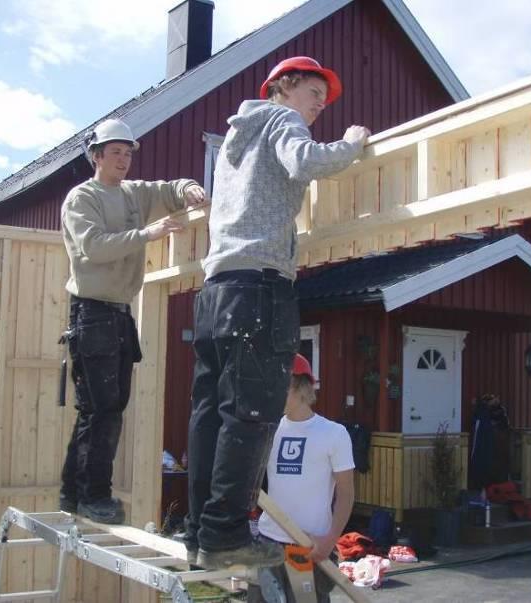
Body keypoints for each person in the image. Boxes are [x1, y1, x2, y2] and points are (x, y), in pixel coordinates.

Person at [185, 56, 370, 569]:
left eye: (324, 101)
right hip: (258, 287)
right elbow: (305, 161)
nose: (319, 106)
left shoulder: (235, 141)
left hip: (217, 288)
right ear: (284, 86)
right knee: (251, 414)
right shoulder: (282, 120)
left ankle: (199, 531)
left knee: (210, 414)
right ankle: (224, 535)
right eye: (314, 92)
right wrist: (351, 144)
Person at [59, 118, 206, 524]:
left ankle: (73, 494)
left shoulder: (132, 194)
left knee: (107, 407)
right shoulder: (82, 198)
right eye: (116, 153)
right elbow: (92, 249)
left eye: (128, 153)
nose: (124, 160)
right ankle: (93, 496)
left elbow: (169, 189)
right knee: (101, 409)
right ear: (97, 156)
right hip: (90, 312)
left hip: (118, 314)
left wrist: (188, 188)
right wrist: (148, 233)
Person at [248, 354, 355, 603]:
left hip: (308, 548)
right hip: (268, 545)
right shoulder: (269, 430)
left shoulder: (333, 434)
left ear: (299, 387)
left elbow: (346, 493)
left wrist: (330, 541)